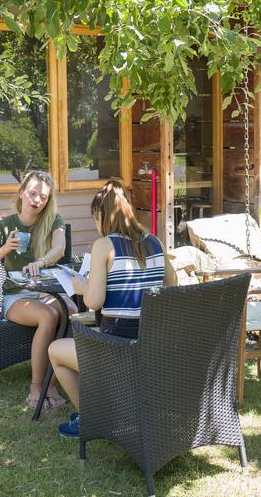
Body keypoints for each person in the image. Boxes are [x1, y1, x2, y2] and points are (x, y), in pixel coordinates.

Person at [48, 179, 176, 438]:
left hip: (117, 353)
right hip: (153, 349)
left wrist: (81, 286)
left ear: (102, 215)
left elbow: (93, 302)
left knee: (55, 351)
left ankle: (93, 419)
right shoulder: (155, 242)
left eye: (96, 218)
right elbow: (172, 286)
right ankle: (106, 413)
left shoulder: (104, 245)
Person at [0, 170, 69, 412]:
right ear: (21, 194)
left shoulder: (52, 221)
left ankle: (53, 383)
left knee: (70, 310)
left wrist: (42, 261)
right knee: (48, 316)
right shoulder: (6, 225)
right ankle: (36, 387)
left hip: (45, 292)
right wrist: (5, 248)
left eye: (43, 197)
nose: (37, 200)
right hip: (15, 296)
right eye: (32, 193)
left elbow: (60, 247)